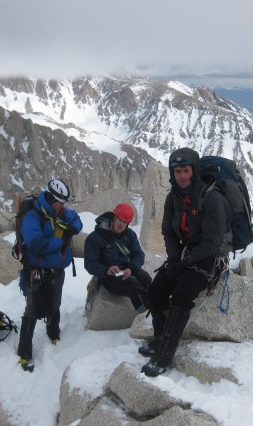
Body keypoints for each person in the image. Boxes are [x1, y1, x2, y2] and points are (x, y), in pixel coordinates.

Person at [140, 147, 232, 377]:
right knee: (155, 292)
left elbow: (212, 242)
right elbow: (168, 232)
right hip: (186, 254)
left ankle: (164, 355)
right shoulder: (174, 198)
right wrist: (173, 259)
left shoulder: (212, 197)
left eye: (186, 170)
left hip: (212, 258)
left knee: (181, 296)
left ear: (194, 171)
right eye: (177, 171)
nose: (181, 175)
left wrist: (185, 261)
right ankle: (160, 338)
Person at [17, 178, 83, 372]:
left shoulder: (61, 212)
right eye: (59, 202)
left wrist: (72, 229)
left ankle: (53, 332)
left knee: (55, 303)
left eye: (63, 203)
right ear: (50, 198)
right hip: (36, 271)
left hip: (57, 270)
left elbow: (76, 220)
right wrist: (61, 243)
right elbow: (37, 243)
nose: (62, 206)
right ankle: (24, 353)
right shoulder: (33, 217)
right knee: (32, 310)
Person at [84, 203, 151, 312]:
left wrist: (131, 268)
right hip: (107, 275)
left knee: (147, 279)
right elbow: (90, 263)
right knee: (134, 287)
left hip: (127, 268)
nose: (122, 225)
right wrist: (106, 270)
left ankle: (155, 308)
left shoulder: (129, 234)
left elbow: (139, 254)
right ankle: (145, 314)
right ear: (113, 218)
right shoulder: (95, 238)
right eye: (120, 220)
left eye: (125, 222)